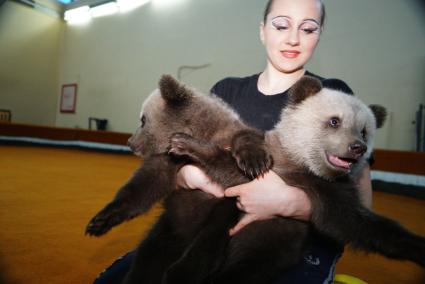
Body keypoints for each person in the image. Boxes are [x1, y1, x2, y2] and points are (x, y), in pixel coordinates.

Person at [95, 0, 373, 283]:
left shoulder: (333, 96)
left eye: (308, 29)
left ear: (319, 35)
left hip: (289, 243)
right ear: (263, 30)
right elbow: (177, 161)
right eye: (281, 25)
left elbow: (360, 197)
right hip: (208, 231)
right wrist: (187, 175)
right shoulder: (226, 90)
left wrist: (293, 204)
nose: (293, 38)